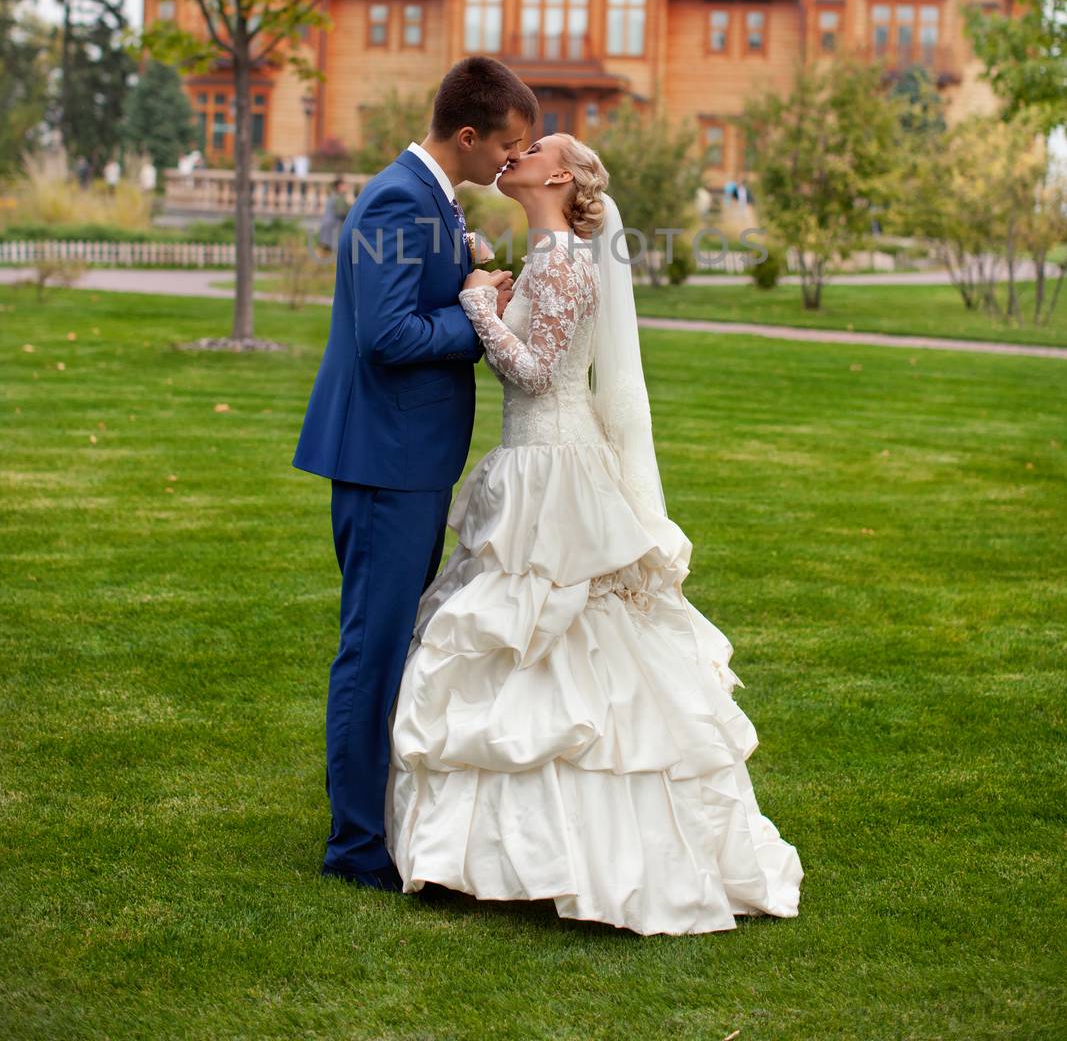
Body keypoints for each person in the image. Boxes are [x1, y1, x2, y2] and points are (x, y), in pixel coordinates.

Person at [385, 133, 803, 936]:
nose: (514, 151)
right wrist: (486, 278)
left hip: (555, 464)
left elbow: (537, 374)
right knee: (521, 637)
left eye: (531, 146)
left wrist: (477, 303)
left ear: (562, 175)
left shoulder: (566, 260)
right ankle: (508, 850)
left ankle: (578, 854)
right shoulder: (545, 254)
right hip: (532, 461)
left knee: (566, 635)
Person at [291, 57, 539, 891]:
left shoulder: (430, 197)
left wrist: (466, 277)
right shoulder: (400, 199)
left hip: (407, 460)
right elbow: (387, 336)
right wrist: (479, 316)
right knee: (373, 647)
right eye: (506, 145)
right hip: (386, 461)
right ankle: (355, 847)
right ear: (466, 136)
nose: (511, 160)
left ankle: (378, 822)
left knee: (392, 642)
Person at [316, 179, 349, 254]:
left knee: (326, 251)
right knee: (333, 252)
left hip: (328, 225)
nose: (347, 187)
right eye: (344, 185)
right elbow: (341, 212)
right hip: (333, 226)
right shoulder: (338, 198)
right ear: (339, 186)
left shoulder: (333, 196)